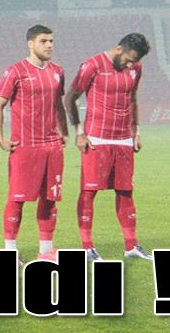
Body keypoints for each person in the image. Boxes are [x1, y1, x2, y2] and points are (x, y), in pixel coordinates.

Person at [64, 33, 153, 261]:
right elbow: (70, 98)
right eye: (128, 60)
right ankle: (87, 248)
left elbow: (132, 99)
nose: (130, 65)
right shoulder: (92, 65)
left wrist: (136, 132)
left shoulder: (136, 68)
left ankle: (131, 246)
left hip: (123, 139)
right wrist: (79, 132)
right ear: (118, 49)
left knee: (125, 192)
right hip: (97, 138)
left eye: (134, 62)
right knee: (89, 192)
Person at [0, 24, 68, 261]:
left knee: (50, 199)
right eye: (43, 41)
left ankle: (45, 251)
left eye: (51, 41)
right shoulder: (15, 71)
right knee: (17, 199)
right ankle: (9, 253)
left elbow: (59, 104)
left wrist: (65, 131)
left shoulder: (57, 71)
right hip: (25, 146)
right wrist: (0, 138)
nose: (49, 45)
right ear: (31, 43)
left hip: (52, 146)